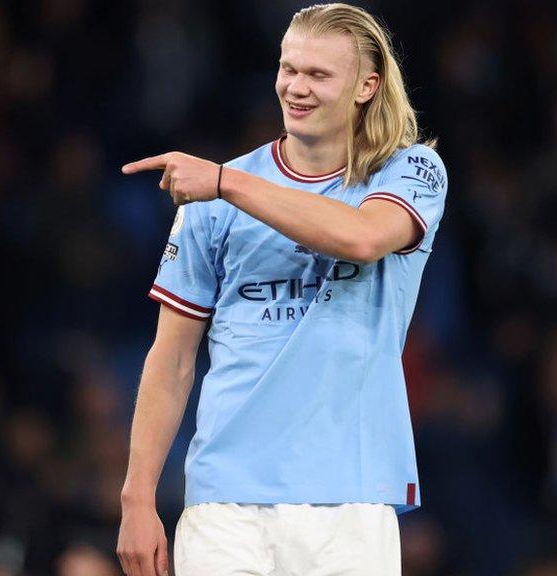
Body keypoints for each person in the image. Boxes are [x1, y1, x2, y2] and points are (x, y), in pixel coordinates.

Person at [116, 4, 447, 576]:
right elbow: (170, 360)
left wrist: (224, 181)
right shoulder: (214, 199)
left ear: (367, 86)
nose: (296, 87)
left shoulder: (410, 170)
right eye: (288, 69)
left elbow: (364, 237)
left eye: (318, 75)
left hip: (352, 498)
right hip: (224, 505)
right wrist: (137, 500)